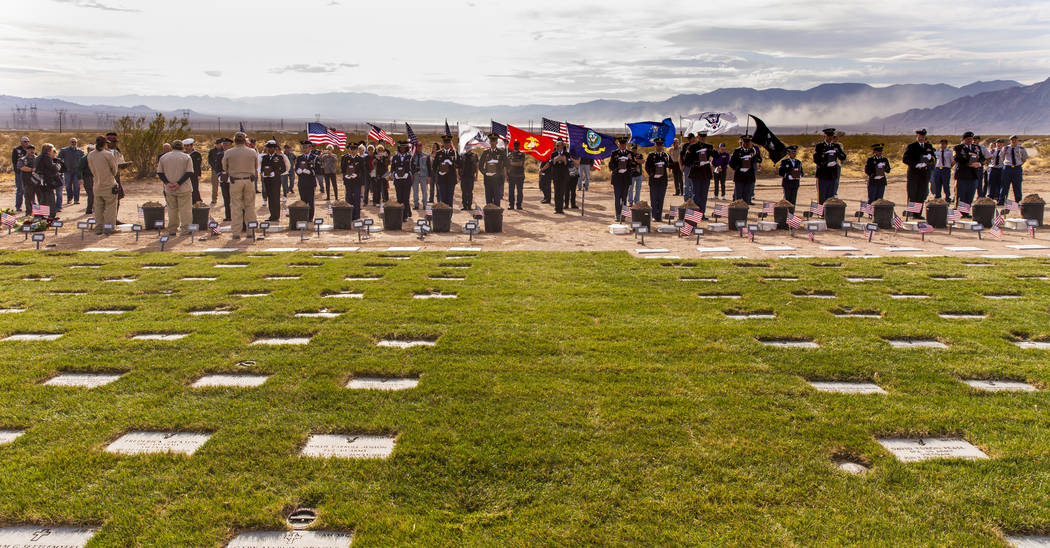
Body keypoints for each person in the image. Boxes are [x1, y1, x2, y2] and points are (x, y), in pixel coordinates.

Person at [221, 132, 259, 239]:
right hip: (249, 180)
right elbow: (256, 166)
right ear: (244, 140)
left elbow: (224, 167)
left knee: (236, 206)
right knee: (250, 206)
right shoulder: (252, 152)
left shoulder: (228, 152)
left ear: (235, 141)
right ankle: (250, 231)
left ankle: (236, 233)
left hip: (235, 181)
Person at [156, 139, 194, 235]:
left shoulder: (164, 157)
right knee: (185, 210)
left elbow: (160, 172)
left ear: (172, 147)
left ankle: (172, 230)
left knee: (172, 210)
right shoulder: (186, 157)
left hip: (169, 188)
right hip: (184, 188)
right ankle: (186, 229)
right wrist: (179, 183)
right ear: (182, 147)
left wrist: (167, 183)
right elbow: (189, 172)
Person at [87, 136, 119, 233]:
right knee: (110, 207)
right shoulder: (108, 155)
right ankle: (109, 228)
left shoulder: (90, 155)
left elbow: (91, 169)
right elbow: (114, 170)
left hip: (97, 184)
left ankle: (98, 228)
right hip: (108, 184)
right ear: (105, 144)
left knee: (98, 208)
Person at [901, 128, 935, 218]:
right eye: (920, 136)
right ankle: (912, 213)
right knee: (913, 193)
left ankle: (917, 214)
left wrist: (930, 159)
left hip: (924, 174)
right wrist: (916, 164)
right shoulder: (912, 146)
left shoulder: (929, 146)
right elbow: (905, 159)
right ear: (917, 136)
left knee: (922, 194)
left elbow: (934, 159)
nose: (922, 138)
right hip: (914, 174)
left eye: (923, 136)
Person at [953, 131, 985, 214]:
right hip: (962, 174)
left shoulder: (976, 148)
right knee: (961, 195)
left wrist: (979, 163)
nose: (970, 140)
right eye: (968, 139)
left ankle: (966, 213)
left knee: (970, 195)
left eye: (971, 139)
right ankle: (959, 213)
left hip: (973, 175)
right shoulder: (958, 148)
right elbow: (957, 158)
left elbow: (982, 158)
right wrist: (969, 158)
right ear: (964, 139)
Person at [813, 128, 845, 203]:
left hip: (832, 174)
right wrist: (825, 162)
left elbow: (843, 157)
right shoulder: (820, 146)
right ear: (825, 136)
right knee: (821, 196)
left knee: (831, 196)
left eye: (831, 136)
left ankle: (829, 213)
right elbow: (816, 159)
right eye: (828, 136)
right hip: (823, 174)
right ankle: (820, 214)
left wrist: (837, 153)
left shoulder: (836, 146)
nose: (830, 138)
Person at [685, 131, 715, 212]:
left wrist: (712, 150)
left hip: (706, 173)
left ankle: (702, 213)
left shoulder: (709, 146)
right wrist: (697, 163)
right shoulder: (692, 147)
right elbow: (687, 161)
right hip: (696, 173)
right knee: (696, 195)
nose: (703, 138)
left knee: (704, 195)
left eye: (704, 137)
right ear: (698, 137)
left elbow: (717, 156)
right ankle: (696, 213)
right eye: (701, 137)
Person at [293, 140, 321, 222]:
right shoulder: (299, 158)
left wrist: (310, 172)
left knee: (311, 201)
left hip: (310, 182)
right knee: (303, 200)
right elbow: (296, 168)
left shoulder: (315, 158)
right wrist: (298, 171)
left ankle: (310, 218)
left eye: (305, 147)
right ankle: (303, 216)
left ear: (310, 148)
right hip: (302, 182)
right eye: (303, 147)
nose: (304, 149)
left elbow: (318, 171)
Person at [259, 140, 288, 222]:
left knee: (275, 197)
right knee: (270, 197)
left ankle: (276, 216)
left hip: (275, 180)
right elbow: (262, 168)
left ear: (274, 148)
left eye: (271, 148)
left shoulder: (279, 158)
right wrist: (263, 173)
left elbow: (283, 169)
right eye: (268, 148)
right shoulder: (265, 157)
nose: (269, 149)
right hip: (267, 180)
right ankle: (272, 215)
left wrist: (275, 173)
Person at [729, 135, 762, 205]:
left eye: (748, 142)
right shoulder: (737, 151)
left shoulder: (753, 151)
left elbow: (759, 159)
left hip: (749, 178)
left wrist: (753, 157)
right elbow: (731, 163)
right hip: (740, 177)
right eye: (745, 142)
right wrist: (739, 165)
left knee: (747, 198)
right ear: (742, 142)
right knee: (738, 198)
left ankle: (744, 215)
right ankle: (737, 214)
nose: (746, 144)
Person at [608, 137, 634, 222]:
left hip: (626, 178)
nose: (623, 145)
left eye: (624, 144)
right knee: (617, 198)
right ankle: (617, 215)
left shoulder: (630, 153)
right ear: (619, 144)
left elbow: (633, 165)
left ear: (626, 144)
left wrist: (628, 165)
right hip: (617, 179)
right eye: (621, 144)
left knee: (624, 198)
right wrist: (617, 168)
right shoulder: (614, 153)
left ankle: (624, 215)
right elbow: (611, 165)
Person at [645, 137, 671, 221]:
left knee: (661, 199)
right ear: (655, 146)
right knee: (654, 198)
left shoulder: (665, 155)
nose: (659, 147)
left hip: (663, 180)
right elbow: (647, 167)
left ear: (662, 146)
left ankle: (659, 216)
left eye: (660, 145)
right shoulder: (651, 155)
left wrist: (666, 163)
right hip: (654, 180)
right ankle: (654, 215)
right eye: (657, 145)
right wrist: (652, 174)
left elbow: (671, 165)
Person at [32, 144, 61, 217]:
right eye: (52, 150)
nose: (52, 152)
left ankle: (39, 215)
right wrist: (57, 167)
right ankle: (51, 215)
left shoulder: (38, 157)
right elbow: (51, 167)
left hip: (38, 180)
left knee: (42, 198)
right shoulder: (46, 157)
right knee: (50, 198)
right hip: (46, 181)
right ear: (48, 151)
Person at [479, 134, 507, 206]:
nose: (492, 142)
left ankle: (496, 216)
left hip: (497, 180)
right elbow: (480, 166)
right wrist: (485, 173)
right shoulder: (485, 153)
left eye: (494, 141)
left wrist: (499, 172)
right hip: (488, 179)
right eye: (491, 141)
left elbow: (507, 163)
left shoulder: (501, 152)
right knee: (488, 201)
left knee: (497, 200)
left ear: (497, 142)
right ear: (489, 142)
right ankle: (489, 216)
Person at [342, 144, 367, 220]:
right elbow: (343, 168)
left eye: (354, 149)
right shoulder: (345, 158)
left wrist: (357, 175)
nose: (353, 151)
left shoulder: (360, 159)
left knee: (357, 199)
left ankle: (356, 217)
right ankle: (349, 216)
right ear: (349, 150)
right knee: (348, 198)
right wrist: (345, 175)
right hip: (348, 181)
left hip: (357, 182)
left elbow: (363, 171)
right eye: (351, 149)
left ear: (357, 150)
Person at [1001, 135, 1028, 204]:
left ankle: (1018, 200)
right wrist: (1006, 163)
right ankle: (1002, 200)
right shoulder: (1006, 148)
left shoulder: (1021, 148)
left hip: (1017, 168)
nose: (1014, 141)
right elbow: (1001, 157)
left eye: (1015, 140)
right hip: (1007, 168)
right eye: (1012, 140)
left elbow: (1024, 158)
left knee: (1017, 185)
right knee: (1005, 185)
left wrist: (1019, 164)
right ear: (1010, 141)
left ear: (1017, 140)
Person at [390, 141, 414, 221]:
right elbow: (392, 168)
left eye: (404, 147)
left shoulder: (410, 157)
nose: (402, 149)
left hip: (406, 181)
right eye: (401, 147)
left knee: (406, 198)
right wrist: (394, 174)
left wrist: (408, 173)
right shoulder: (395, 157)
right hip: (398, 180)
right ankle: (399, 215)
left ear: (406, 148)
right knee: (399, 198)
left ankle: (405, 215)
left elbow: (413, 168)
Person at [58, 138, 84, 208]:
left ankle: (76, 200)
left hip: (77, 171)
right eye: (72, 142)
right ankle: (69, 198)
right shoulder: (64, 150)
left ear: (77, 143)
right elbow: (59, 159)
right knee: (68, 185)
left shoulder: (80, 151)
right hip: (67, 171)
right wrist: (62, 168)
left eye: (75, 142)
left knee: (77, 186)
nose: (73, 143)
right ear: (70, 142)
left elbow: (83, 162)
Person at [433, 137, 458, 206]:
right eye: (445, 143)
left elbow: (460, 164)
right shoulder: (439, 153)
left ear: (450, 143)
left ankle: (449, 214)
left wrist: (452, 163)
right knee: (442, 198)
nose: (447, 144)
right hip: (441, 179)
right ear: (443, 143)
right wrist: (439, 172)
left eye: (448, 143)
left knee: (450, 198)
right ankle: (443, 214)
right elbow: (434, 166)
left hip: (451, 179)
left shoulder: (454, 153)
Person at [549, 139, 571, 214]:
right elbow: (551, 163)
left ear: (562, 146)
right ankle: (556, 208)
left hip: (564, 175)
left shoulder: (567, 154)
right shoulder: (553, 154)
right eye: (556, 146)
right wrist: (555, 160)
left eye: (559, 146)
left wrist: (564, 160)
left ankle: (561, 209)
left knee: (562, 192)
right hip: (556, 175)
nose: (558, 147)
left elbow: (569, 164)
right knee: (556, 192)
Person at [16, 145, 40, 216]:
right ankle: (29, 213)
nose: (32, 151)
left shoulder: (37, 158)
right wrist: (32, 169)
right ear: (27, 150)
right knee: (28, 198)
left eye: (33, 149)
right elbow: (21, 167)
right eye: (30, 149)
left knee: (40, 197)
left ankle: (39, 213)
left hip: (37, 181)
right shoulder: (22, 159)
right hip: (27, 181)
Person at [11, 136, 30, 212]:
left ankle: (30, 206)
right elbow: (14, 162)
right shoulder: (16, 150)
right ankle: (18, 206)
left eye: (28, 141)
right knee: (20, 189)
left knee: (30, 190)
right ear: (21, 142)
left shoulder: (30, 149)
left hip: (29, 173)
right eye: (25, 141)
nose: (27, 143)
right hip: (19, 173)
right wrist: (17, 171)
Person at [506, 140, 526, 210]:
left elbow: (520, 163)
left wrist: (511, 163)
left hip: (520, 175)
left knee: (519, 191)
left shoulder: (522, 154)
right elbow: (506, 165)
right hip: (511, 175)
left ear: (519, 146)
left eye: (517, 145)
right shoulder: (509, 154)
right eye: (515, 145)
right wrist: (506, 175)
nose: (516, 146)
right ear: (513, 146)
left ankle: (519, 205)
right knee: (511, 191)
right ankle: (511, 205)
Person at [183, 138, 203, 204]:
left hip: (194, 174)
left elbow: (198, 166)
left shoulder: (197, 154)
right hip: (185, 174)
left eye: (188, 146)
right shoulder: (183, 154)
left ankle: (197, 202)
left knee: (194, 188)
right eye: (185, 146)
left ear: (192, 146)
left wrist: (199, 175)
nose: (186, 147)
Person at [77, 144, 95, 215]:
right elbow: (79, 169)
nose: (93, 151)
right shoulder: (84, 158)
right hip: (87, 177)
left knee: (95, 194)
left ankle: (94, 209)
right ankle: (89, 210)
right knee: (91, 194)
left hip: (95, 177)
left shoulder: (96, 157)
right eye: (91, 150)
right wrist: (80, 178)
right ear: (88, 150)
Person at [986, 139, 1005, 205]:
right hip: (992, 168)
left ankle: (998, 198)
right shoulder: (992, 150)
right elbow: (987, 158)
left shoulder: (1005, 151)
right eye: (998, 143)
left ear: (1003, 144)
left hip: (1001, 168)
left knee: (1000, 183)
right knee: (991, 183)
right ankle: (990, 198)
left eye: (1000, 143)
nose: (999, 144)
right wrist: (987, 165)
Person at [412, 143, 430, 210]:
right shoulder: (413, 156)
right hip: (415, 175)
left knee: (424, 190)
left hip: (424, 175)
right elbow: (411, 166)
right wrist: (412, 175)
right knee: (415, 190)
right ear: (416, 148)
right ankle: (416, 205)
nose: (419, 148)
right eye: (418, 147)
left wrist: (429, 177)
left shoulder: (426, 155)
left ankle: (425, 204)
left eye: (420, 146)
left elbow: (429, 166)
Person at [207, 138, 223, 205]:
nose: (217, 145)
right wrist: (214, 167)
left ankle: (226, 199)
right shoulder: (212, 151)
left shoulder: (224, 150)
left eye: (218, 144)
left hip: (222, 170)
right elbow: (209, 160)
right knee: (214, 185)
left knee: (224, 185)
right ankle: (214, 199)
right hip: (214, 170)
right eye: (216, 144)